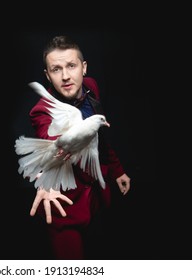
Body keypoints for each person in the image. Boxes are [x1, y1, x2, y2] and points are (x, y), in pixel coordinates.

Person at [26, 35, 131, 259]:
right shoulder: (41, 111)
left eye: (71, 66)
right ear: (47, 75)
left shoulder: (91, 86)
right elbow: (50, 141)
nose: (65, 76)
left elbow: (99, 136)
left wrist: (117, 169)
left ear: (83, 68)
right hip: (65, 206)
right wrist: (46, 177)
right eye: (56, 69)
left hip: (99, 196)